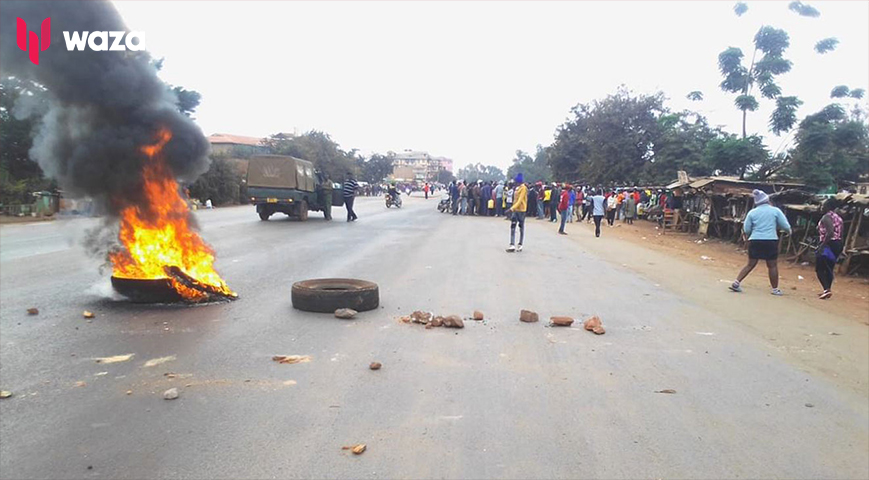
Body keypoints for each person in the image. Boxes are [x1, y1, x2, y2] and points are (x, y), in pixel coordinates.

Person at [730, 189, 791, 295]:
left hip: (755, 240)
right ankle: (775, 289)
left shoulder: (752, 212)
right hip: (770, 240)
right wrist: (788, 232)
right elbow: (785, 225)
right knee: (772, 265)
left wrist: (752, 234)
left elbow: (747, 229)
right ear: (767, 200)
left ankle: (736, 282)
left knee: (750, 264)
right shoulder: (775, 211)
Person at [815, 199, 844, 300]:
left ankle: (826, 289)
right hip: (838, 244)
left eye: (823, 206)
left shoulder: (826, 217)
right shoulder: (838, 218)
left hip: (828, 244)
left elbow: (830, 232)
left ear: (827, 207)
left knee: (820, 268)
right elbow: (841, 233)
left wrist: (822, 245)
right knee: (829, 268)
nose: (821, 207)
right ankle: (827, 289)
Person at [506, 174, 528, 252]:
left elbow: (520, 200)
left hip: (521, 210)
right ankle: (512, 244)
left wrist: (511, 209)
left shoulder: (523, 188)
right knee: (513, 226)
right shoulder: (516, 188)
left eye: (515, 181)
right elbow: (515, 200)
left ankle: (520, 244)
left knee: (521, 228)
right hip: (515, 210)